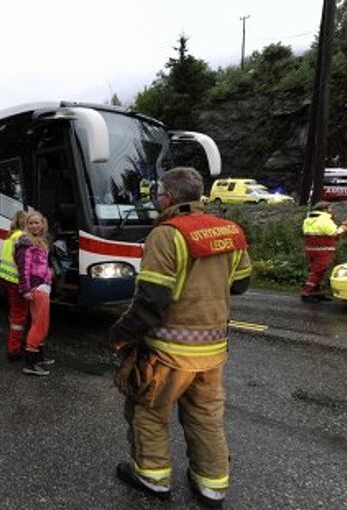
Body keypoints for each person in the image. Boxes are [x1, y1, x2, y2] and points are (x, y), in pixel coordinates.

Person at [109, 167, 252, 508]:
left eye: (159, 193)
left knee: (149, 411)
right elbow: (241, 284)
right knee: (206, 416)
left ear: (169, 197)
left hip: (168, 354)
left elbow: (151, 300)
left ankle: (153, 478)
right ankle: (212, 486)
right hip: (213, 351)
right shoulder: (230, 230)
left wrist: (121, 334)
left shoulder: (167, 234)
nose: (158, 199)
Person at [14, 212, 54, 376]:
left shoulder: (41, 242)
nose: (34, 226)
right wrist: (26, 289)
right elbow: (23, 269)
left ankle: (39, 357)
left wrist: (48, 280)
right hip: (35, 289)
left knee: (42, 323)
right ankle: (30, 364)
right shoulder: (26, 244)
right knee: (39, 325)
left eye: (37, 223)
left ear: (43, 225)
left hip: (42, 287)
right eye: (30, 223)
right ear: (26, 225)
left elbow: (45, 267)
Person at [300, 202, 347, 303]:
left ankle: (316, 292)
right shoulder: (324, 219)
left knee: (318, 272)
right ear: (324, 209)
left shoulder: (308, 220)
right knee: (318, 272)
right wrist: (346, 225)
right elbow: (335, 232)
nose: (331, 210)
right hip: (323, 250)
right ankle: (307, 293)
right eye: (330, 208)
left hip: (311, 250)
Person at [0, 210, 28, 361]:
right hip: (16, 282)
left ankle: (15, 341)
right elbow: (22, 265)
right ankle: (14, 350)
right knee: (19, 316)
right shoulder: (22, 238)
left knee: (13, 312)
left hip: (5, 279)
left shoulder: (10, 236)